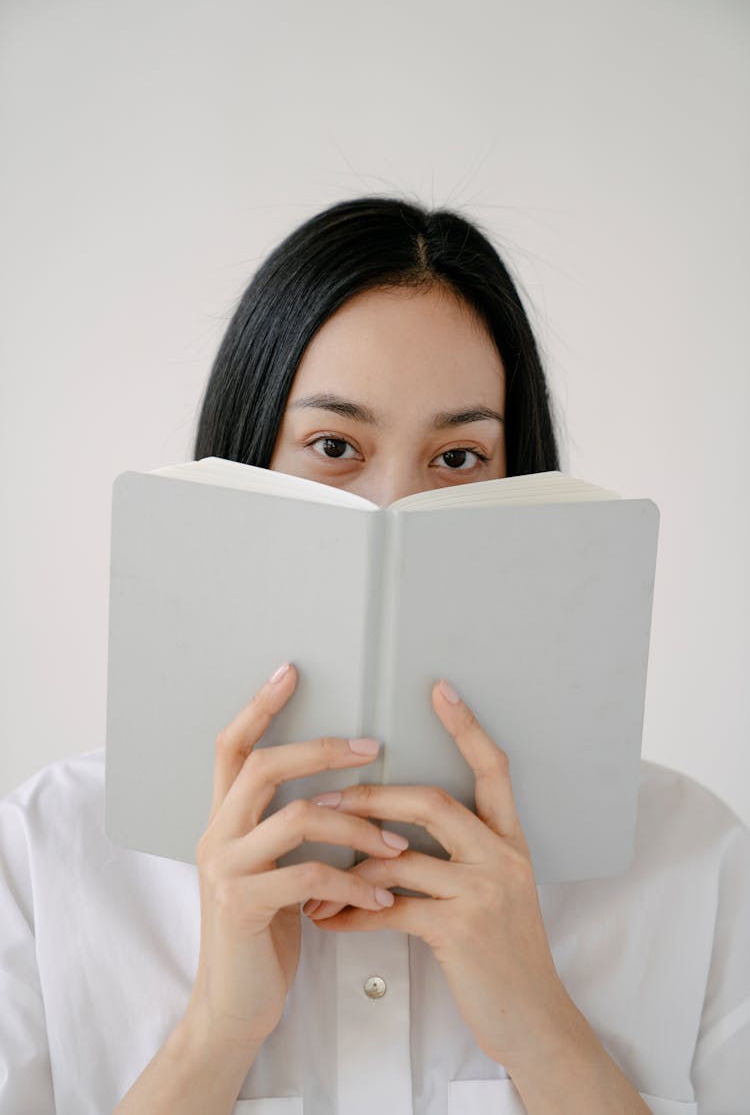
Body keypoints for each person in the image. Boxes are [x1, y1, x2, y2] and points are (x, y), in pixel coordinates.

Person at [1, 197, 748, 1115]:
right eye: (333, 445)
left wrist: (542, 1032)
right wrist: (213, 1038)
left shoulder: (690, 858)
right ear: (243, 464)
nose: (393, 508)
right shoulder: (46, 855)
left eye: (460, 456)